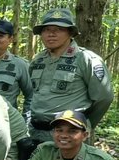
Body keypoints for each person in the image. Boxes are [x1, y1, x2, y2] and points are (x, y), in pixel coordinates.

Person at [26, 8, 113, 144]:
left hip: (69, 137)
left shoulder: (86, 59)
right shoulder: (38, 60)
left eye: (59, 29)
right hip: (36, 133)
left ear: (70, 33)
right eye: (46, 30)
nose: (51, 34)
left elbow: (104, 98)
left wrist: (83, 125)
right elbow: (33, 95)